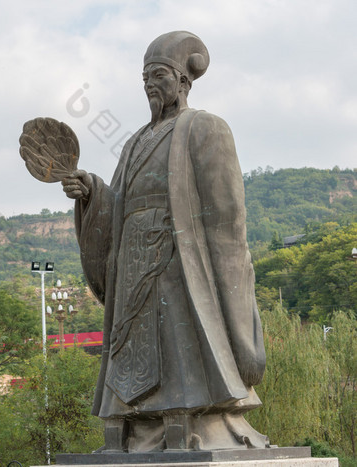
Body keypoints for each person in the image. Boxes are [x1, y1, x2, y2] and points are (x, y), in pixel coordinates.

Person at [61, 31, 269, 452]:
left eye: (158, 75)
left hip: (178, 261)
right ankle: (129, 426)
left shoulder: (204, 127)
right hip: (132, 263)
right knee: (131, 343)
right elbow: (118, 204)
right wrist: (92, 192)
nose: (150, 85)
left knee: (178, 342)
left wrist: (223, 272)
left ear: (183, 80)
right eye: (144, 78)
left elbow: (226, 215)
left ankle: (188, 419)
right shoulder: (135, 141)